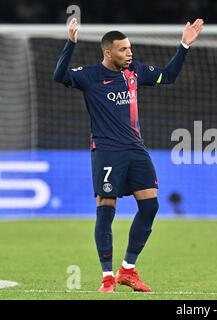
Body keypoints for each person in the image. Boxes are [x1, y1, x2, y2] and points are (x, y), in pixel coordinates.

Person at [53, 18, 204, 292]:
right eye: (123, 49)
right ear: (108, 52)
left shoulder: (134, 72)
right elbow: (59, 75)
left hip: (136, 150)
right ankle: (107, 277)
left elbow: (168, 76)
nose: (129, 53)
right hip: (107, 152)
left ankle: (128, 270)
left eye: (130, 48)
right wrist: (71, 43)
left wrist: (184, 45)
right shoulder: (89, 76)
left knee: (150, 206)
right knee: (106, 211)